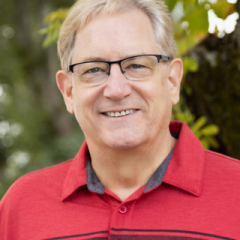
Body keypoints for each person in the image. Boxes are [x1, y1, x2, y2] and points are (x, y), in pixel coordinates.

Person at [1, 0, 240, 239]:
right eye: (93, 69)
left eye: (137, 64)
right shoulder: (20, 209)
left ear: (172, 81)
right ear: (69, 92)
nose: (116, 90)